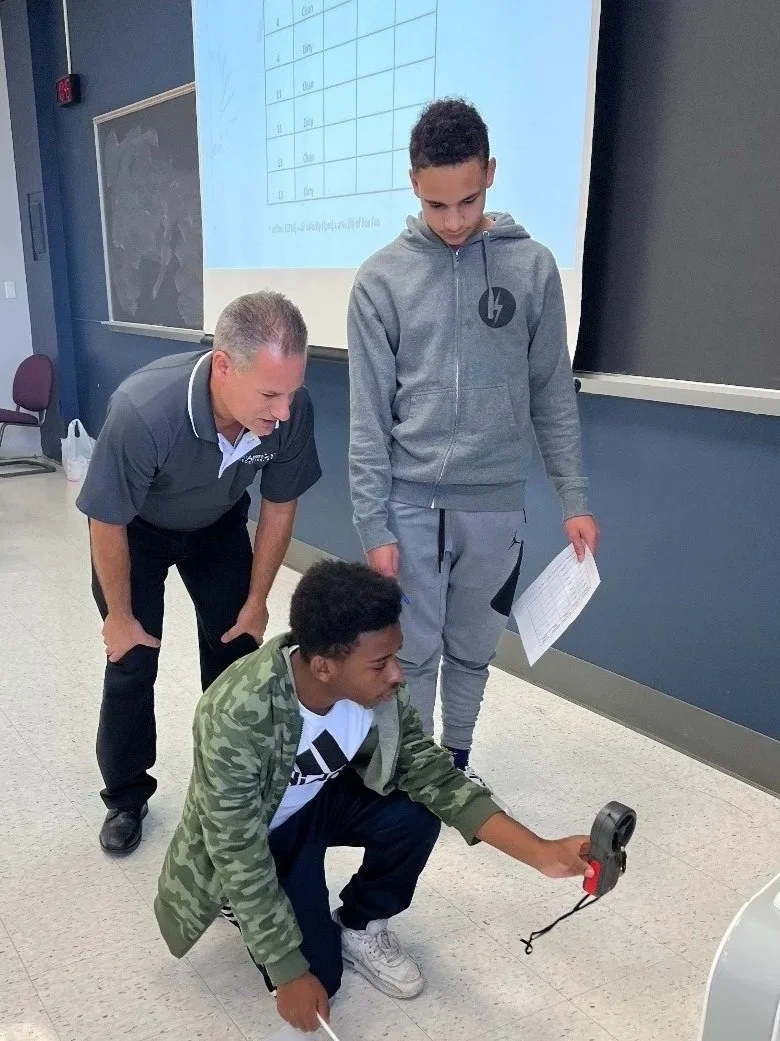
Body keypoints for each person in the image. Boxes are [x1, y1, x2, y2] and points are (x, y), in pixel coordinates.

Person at [155, 560, 594, 1034]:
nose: (398, 675)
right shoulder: (238, 713)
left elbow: (435, 778)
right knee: (318, 981)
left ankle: (361, 923)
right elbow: (236, 845)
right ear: (322, 666)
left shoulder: (378, 690)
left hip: (320, 798)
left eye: (396, 657)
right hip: (264, 834)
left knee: (417, 811)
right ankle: (240, 906)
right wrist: (286, 969)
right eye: (380, 664)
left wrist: (543, 854)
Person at [348, 98, 600, 779]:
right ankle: (412, 767)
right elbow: (368, 416)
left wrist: (573, 496)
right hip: (409, 505)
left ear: (490, 173)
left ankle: (454, 763)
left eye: (468, 200)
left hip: (495, 508)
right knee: (411, 650)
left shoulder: (534, 268)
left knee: (471, 648)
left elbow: (552, 391)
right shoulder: (380, 280)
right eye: (437, 207)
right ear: (413, 185)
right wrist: (373, 522)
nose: (454, 221)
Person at [77, 291, 321, 856]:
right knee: (132, 659)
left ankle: (229, 789)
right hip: (135, 531)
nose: (283, 411)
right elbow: (105, 521)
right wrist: (118, 617)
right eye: (269, 394)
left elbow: (280, 506)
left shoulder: (288, 408)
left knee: (236, 648)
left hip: (215, 527)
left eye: (292, 391)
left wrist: (258, 599)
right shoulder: (144, 411)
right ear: (222, 366)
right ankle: (126, 796)